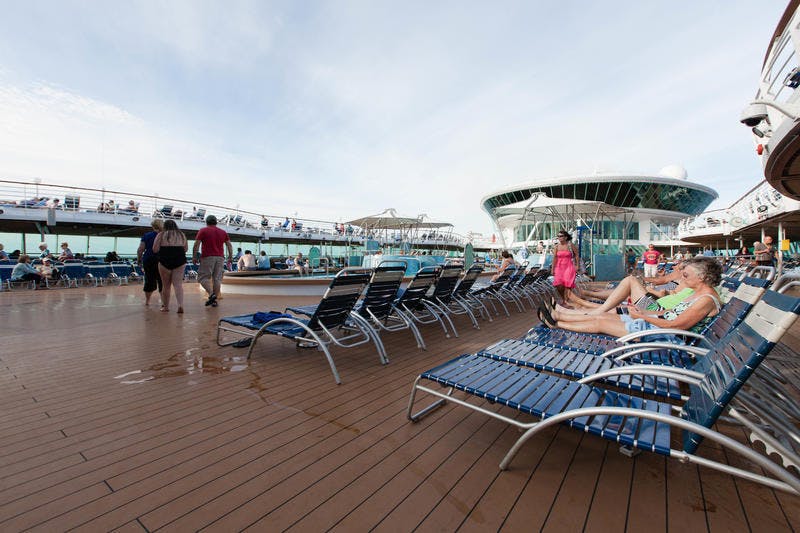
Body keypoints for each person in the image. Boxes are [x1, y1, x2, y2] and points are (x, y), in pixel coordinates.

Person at [542, 257, 722, 339]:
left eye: (686, 275)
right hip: (656, 324)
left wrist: (644, 317)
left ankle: (557, 323)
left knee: (600, 322)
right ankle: (559, 315)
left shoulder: (706, 300)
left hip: (663, 335)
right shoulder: (698, 294)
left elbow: (677, 325)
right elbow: (671, 312)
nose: (682, 278)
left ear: (702, 277)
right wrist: (644, 312)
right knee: (604, 316)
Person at [193, 214, 233, 307]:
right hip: (220, 258)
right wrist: (230, 257)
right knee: (217, 279)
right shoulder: (223, 232)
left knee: (202, 278)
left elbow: (196, 244)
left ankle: (211, 294)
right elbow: (229, 245)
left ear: (206, 222)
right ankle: (214, 301)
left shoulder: (203, 230)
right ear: (216, 222)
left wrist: (194, 256)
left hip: (207, 257)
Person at [153, 219, 188, 313]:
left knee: (166, 286)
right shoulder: (181, 234)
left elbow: (155, 249)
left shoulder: (161, 234)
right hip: (179, 260)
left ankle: (166, 307)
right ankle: (180, 305)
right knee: (178, 285)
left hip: (165, 260)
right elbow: (185, 249)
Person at [137, 219, 163, 307]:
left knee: (149, 280)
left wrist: (139, 259)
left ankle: (147, 301)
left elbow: (140, 249)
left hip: (149, 260)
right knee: (162, 281)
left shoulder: (147, 235)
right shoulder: (164, 236)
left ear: (153, 226)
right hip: (162, 260)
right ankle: (164, 302)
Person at [551, 231, 579, 301]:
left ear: (565, 237)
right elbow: (554, 258)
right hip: (559, 267)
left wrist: (577, 265)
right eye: (558, 236)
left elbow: (576, 255)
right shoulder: (557, 246)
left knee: (567, 284)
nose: (559, 237)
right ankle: (563, 298)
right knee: (558, 284)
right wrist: (552, 269)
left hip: (569, 266)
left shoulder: (570, 245)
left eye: (561, 236)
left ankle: (566, 300)